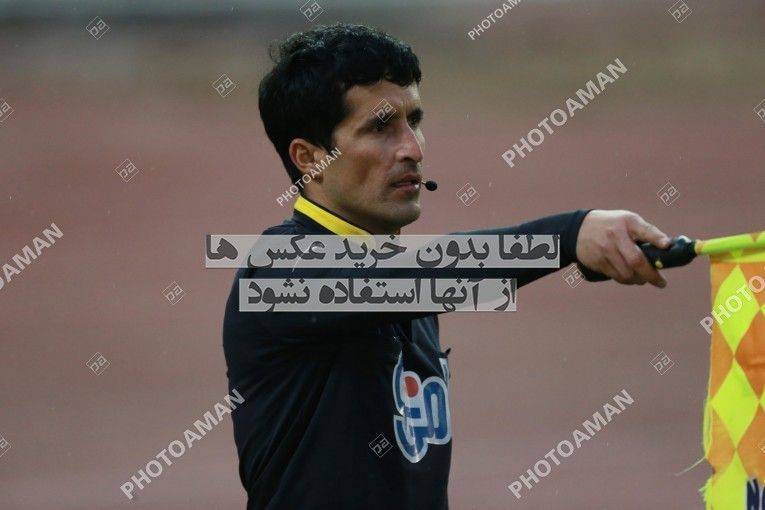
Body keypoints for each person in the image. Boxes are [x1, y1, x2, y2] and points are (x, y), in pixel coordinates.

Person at [222, 22, 671, 510]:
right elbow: (423, 275)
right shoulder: (276, 272)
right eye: (380, 128)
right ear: (310, 158)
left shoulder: (404, 284)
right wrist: (569, 236)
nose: (413, 149)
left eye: (414, 121)